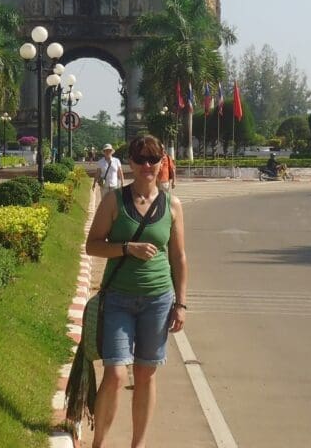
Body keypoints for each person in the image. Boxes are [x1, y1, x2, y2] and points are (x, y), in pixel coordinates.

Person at [85, 134, 187, 448]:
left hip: (158, 300)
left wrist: (181, 304)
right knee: (115, 375)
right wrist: (127, 248)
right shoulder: (114, 201)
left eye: (153, 159)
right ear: (129, 163)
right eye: (140, 159)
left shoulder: (172, 205)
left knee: (145, 375)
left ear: (162, 163)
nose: (147, 165)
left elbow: (178, 257)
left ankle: (137, 444)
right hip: (118, 298)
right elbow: (92, 245)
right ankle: (98, 442)